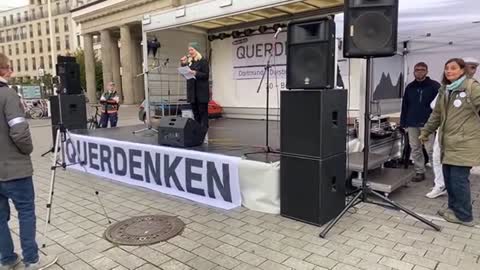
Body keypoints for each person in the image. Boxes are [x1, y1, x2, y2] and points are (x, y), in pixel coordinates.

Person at [0, 53, 56, 269]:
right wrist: (28, 150)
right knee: (25, 213)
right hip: (15, 169)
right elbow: (19, 131)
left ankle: (7, 259)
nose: (11, 71)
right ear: (3, 70)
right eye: (8, 67)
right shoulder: (8, 95)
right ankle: (31, 259)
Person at [420, 58, 480, 226]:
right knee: (449, 179)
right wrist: (426, 132)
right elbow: (436, 115)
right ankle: (453, 209)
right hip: (447, 144)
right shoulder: (445, 90)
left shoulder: (472, 87)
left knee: (459, 180)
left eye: (453, 68)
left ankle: (465, 216)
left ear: (463, 70)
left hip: (463, 144)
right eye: (447, 68)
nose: (449, 71)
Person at [400, 62, 440, 182]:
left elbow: (439, 107)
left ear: (427, 71)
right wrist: (403, 123)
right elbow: (405, 106)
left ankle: (438, 177)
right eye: (417, 70)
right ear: (414, 72)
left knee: (431, 150)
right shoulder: (410, 87)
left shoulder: (434, 86)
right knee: (415, 148)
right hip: (412, 123)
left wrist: (437, 123)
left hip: (427, 125)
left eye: (422, 69)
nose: (419, 72)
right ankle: (419, 172)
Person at [180, 42, 210, 131]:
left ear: (197, 50)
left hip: (201, 92)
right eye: (189, 50)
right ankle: (198, 129)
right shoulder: (190, 62)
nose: (190, 51)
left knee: (202, 112)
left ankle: (204, 129)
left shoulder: (203, 61)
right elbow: (186, 72)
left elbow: (206, 75)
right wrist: (183, 64)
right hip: (192, 91)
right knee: (195, 112)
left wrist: (196, 73)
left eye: (192, 49)